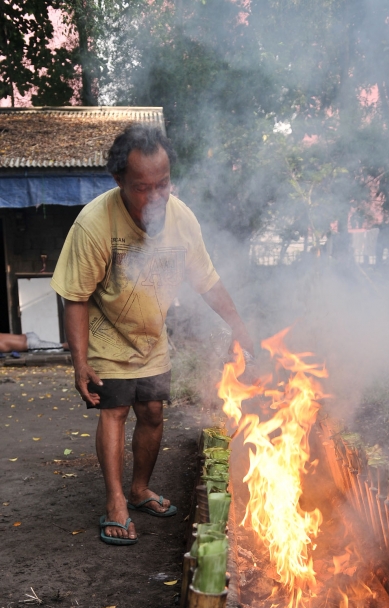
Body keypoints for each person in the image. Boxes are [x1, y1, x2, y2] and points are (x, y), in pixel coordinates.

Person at [51, 125, 253, 545]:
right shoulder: (94, 223)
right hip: (106, 335)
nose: (156, 196)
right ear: (119, 181)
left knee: (154, 413)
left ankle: (140, 489)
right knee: (116, 413)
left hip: (151, 336)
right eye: (143, 187)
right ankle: (116, 503)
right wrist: (80, 361)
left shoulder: (181, 219)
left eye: (163, 184)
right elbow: (74, 297)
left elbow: (208, 282)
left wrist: (240, 327)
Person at [0, 332, 67, 354]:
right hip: (28, 335)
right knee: (59, 346)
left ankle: (76, 346)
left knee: (61, 346)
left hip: (30, 344)